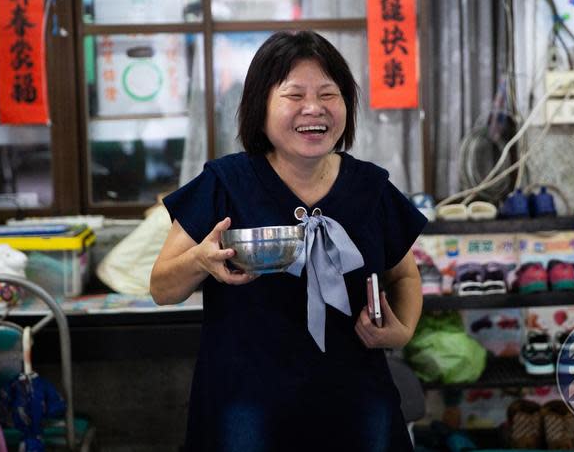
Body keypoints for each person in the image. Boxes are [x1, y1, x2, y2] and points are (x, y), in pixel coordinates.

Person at [150, 30, 427, 452]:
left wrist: (400, 332)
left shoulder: (370, 189)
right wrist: (198, 262)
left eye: (328, 94)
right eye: (294, 95)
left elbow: (405, 276)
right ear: (260, 106)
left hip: (355, 400)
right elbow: (161, 288)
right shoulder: (224, 184)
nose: (313, 108)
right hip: (246, 406)